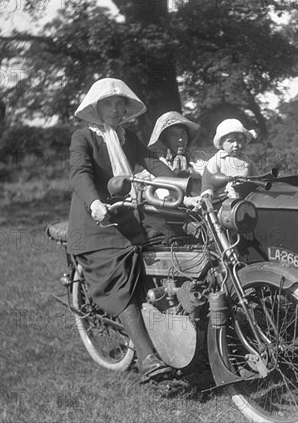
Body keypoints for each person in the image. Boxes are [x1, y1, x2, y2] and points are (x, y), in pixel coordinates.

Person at [67, 78, 175, 381]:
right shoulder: (83, 137)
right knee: (117, 278)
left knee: (170, 241)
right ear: (95, 107)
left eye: (120, 104)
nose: (115, 109)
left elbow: (155, 164)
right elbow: (80, 173)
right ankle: (146, 356)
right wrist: (95, 204)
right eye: (108, 103)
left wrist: (180, 187)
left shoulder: (129, 138)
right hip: (95, 222)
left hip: (127, 214)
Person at [201, 118, 259, 198]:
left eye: (240, 140)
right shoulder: (216, 160)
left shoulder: (247, 161)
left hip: (245, 201)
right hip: (223, 202)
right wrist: (208, 194)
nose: (235, 144)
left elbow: (257, 180)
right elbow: (207, 183)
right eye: (230, 141)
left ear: (244, 141)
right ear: (221, 142)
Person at [147, 111, 203, 177]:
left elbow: (206, 177)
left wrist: (192, 173)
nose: (180, 139)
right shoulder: (157, 164)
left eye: (183, 134)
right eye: (173, 135)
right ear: (164, 140)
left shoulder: (197, 159)